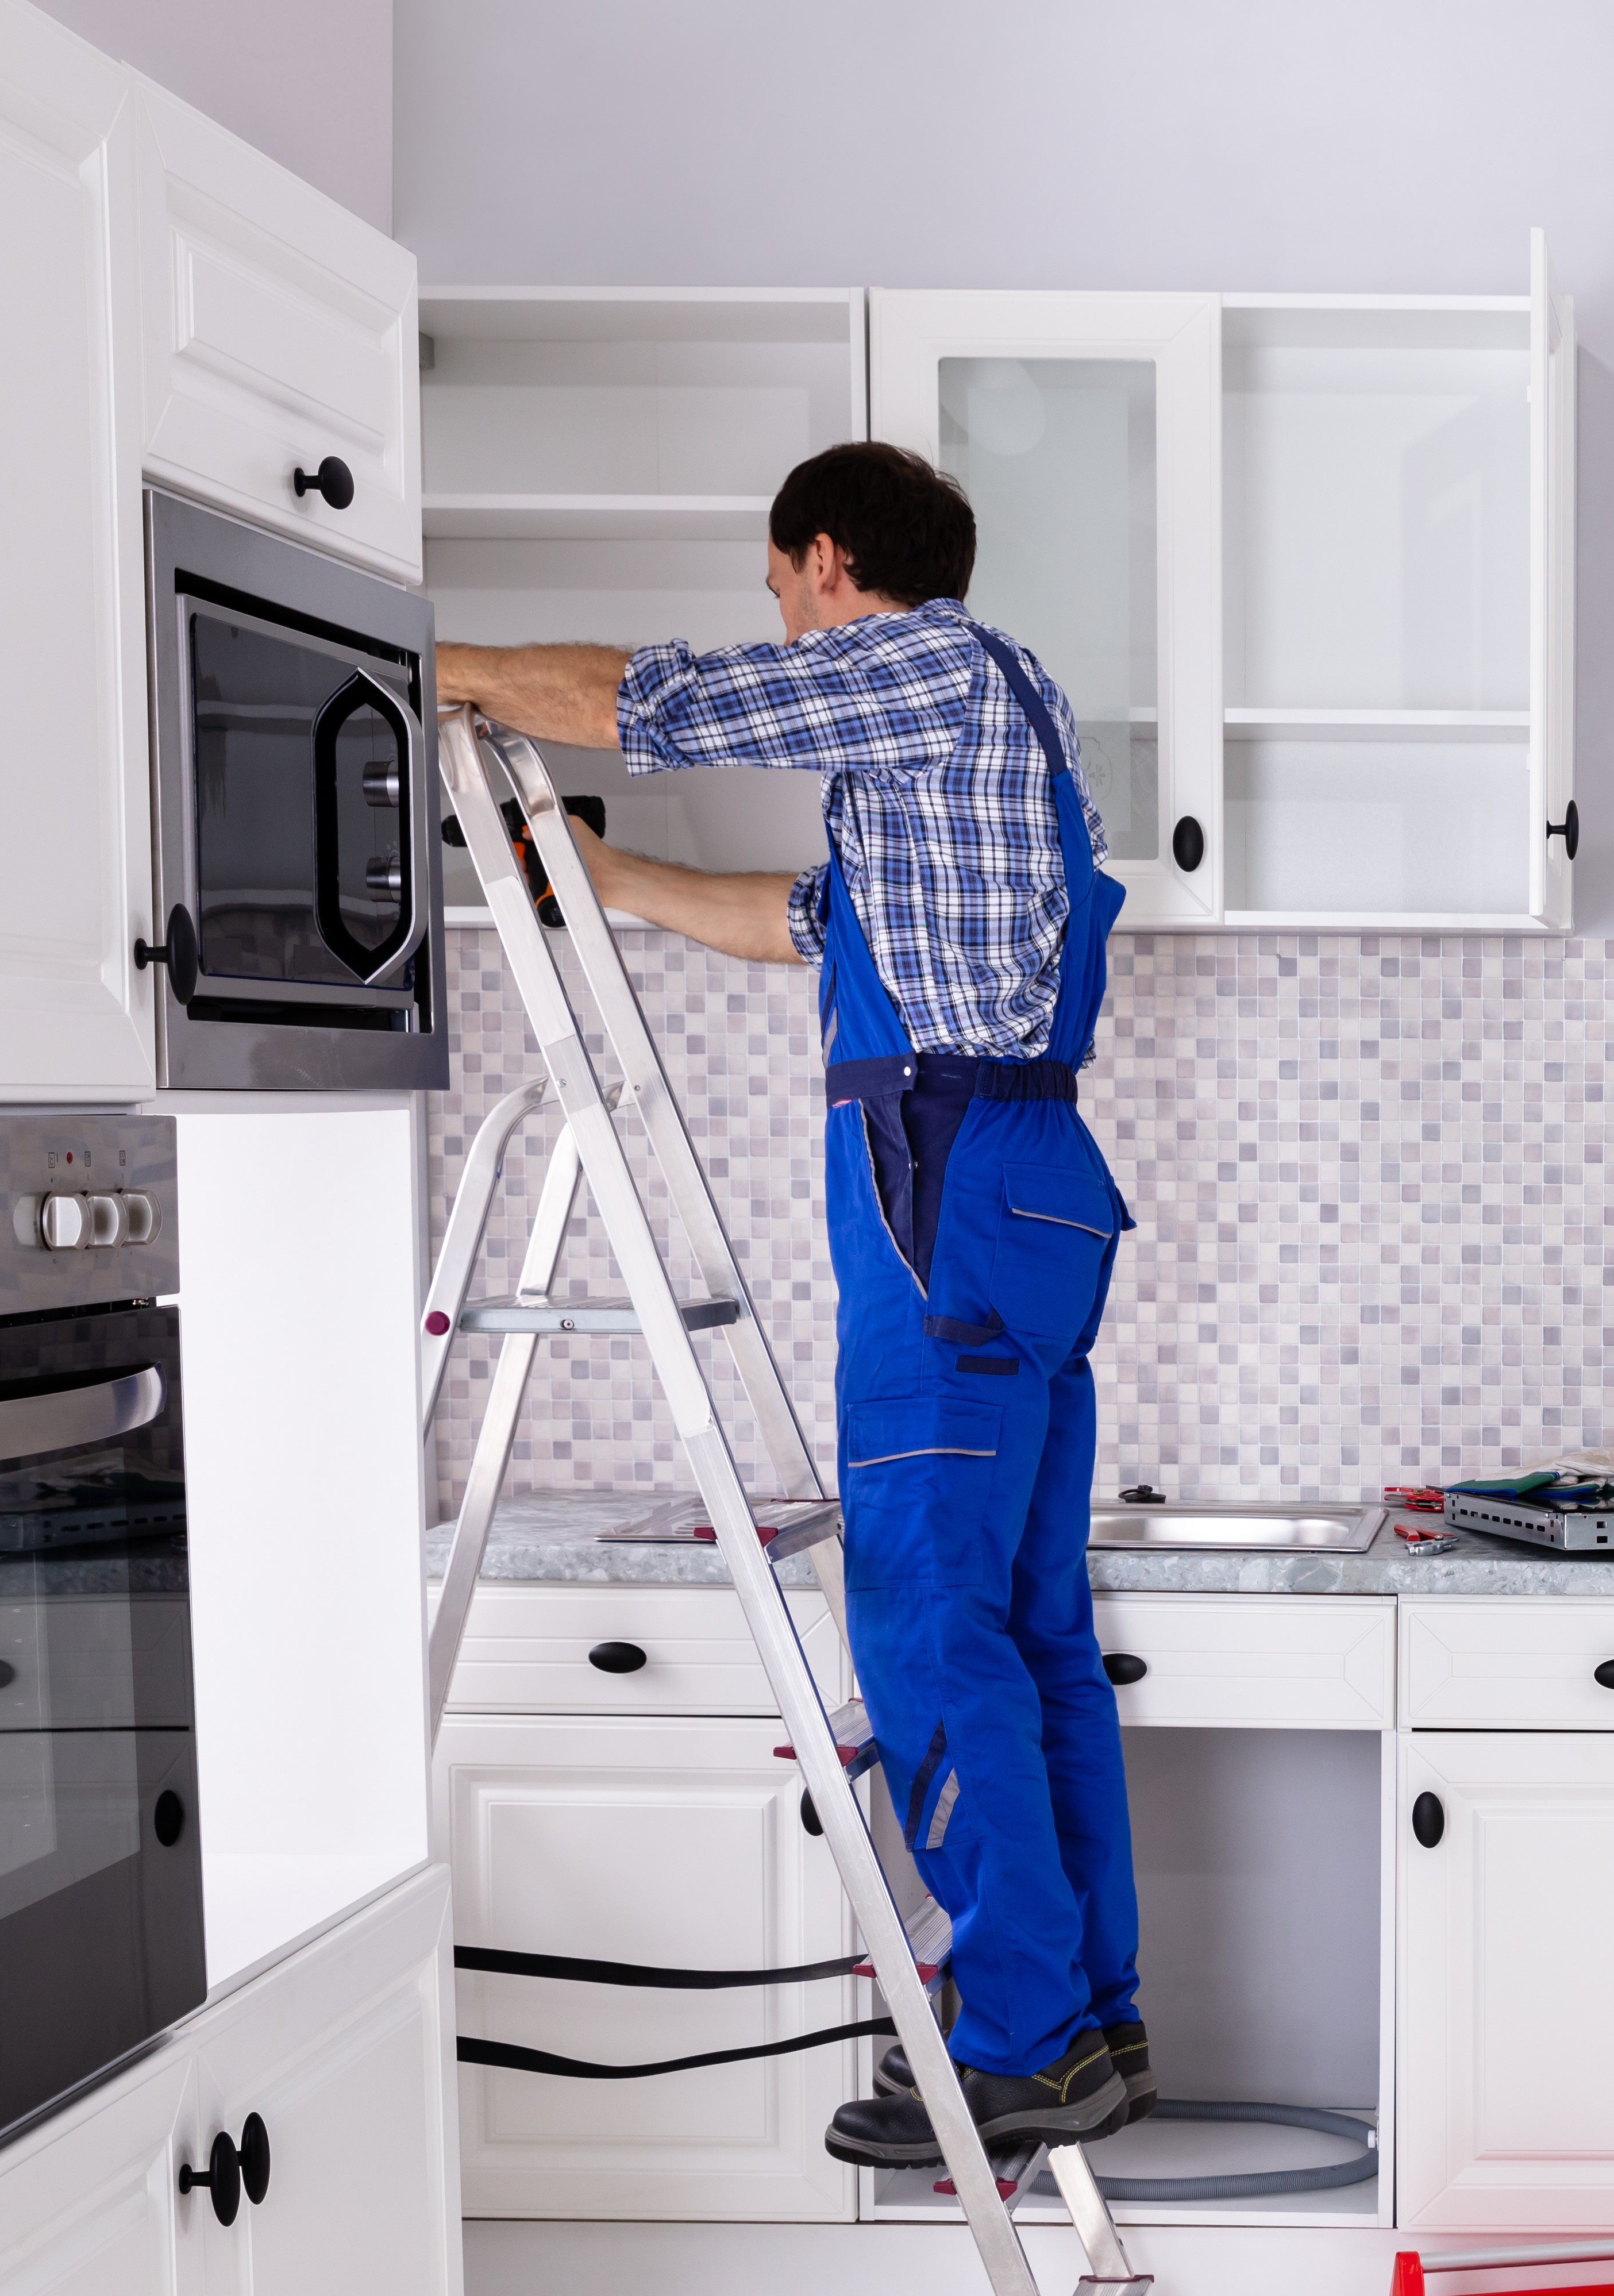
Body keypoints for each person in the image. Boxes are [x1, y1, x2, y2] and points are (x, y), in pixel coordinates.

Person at [436, 438, 1150, 2166]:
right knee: (1026, 1623)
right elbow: (805, 923)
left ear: (826, 557)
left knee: (920, 1621)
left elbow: (637, 698)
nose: (779, 615)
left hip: (945, 1180)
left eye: (777, 585)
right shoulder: (1004, 709)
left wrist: (425, 660)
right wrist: (605, 883)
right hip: (1023, 1184)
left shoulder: (913, 659)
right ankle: (1088, 2024)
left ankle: (1025, 2037)